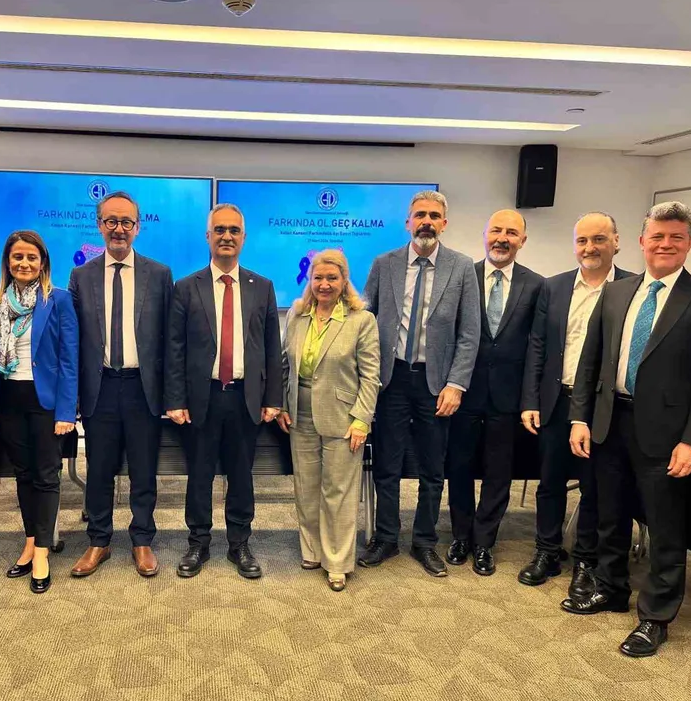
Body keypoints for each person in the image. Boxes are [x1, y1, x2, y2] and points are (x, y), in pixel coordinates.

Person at [565, 202, 691, 657]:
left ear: (690, 243)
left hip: (667, 433)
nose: (665, 244)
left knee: (665, 525)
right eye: (657, 236)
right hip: (609, 422)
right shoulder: (616, 293)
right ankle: (611, 588)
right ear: (641, 242)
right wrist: (580, 417)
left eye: (676, 237)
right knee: (610, 513)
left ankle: (656, 616)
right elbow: (590, 361)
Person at [359, 190, 481, 577]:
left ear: (444, 223)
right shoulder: (385, 264)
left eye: (433, 216)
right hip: (391, 378)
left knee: (432, 469)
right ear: (408, 222)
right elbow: (366, 317)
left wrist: (456, 384)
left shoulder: (461, 267)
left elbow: (469, 333)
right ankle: (386, 538)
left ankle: (425, 542)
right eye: (419, 215)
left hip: (437, 384)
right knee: (387, 465)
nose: (426, 221)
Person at [165, 203, 283, 579]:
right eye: (220, 230)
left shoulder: (262, 287)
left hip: (246, 398)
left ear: (243, 238)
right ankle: (198, 542)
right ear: (208, 237)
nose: (227, 236)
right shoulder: (186, 287)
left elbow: (272, 347)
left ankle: (239, 544)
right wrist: (175, 399)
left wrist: (274, 399)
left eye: (233, 230)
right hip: (202, 398)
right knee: (199, 474)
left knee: (241, 474)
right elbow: (175, 349)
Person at [519, 212, 633, 595]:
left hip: (603, 408)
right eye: (582, 240)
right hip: (556, 400)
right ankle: (547, 551)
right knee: (550, 482)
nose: (590, 247)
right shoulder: (553, 287)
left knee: (593, 488)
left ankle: (585, 560)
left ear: (616, 241)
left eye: (599, 239)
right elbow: (538, 346)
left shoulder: (630, 288)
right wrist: (530, 399)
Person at [68, 191, 173, 578]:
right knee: (98, 470)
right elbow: (74, 341)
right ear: (99, 225)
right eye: (111, 221)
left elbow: (169, 339)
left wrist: (171, 394)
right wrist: (73, 397)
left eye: (126, 222)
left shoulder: (159, 274)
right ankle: (98, 540)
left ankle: (142, 540)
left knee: (144, 470)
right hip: (100, 388)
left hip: (143, 388)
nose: (119, 229)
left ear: (137, 227)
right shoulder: (81, 276)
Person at [445, 210, 544, 576]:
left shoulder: (537, 285)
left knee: (499, 472)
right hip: (463, 391)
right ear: (484, 234)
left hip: (508, 396)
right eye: (496, 231)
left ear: (523, 240)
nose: (503, 238)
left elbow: (537, 346)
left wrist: (529, 399)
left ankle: (485, 542)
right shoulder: (462, 276)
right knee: (459, 467)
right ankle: (461, 536)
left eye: (512, 233)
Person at [0, 230, 77, 594]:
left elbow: (70, 359)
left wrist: (67, 410)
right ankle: (30, 540)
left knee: (47, 476)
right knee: (23, 475)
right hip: (8, 400)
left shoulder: (58, 300)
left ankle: (42, 553)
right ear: (7, 261)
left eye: (31, 257)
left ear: (42, 262)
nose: (24, 263)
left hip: (45, 402)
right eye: (17, 256)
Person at [278, 250, 380, 591]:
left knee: (338, 491)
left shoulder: (361, 320)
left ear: (344, 280)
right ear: (310, 280)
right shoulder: (297, 315)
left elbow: (371, 376)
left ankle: (337, 561)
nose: (324, 284)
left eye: (332, 278)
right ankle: (312, 551)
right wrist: (282, 405)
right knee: (306, 488)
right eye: (318, 278)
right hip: (300, 414)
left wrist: (361, 419)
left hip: (343, 417)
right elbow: (284, 365)